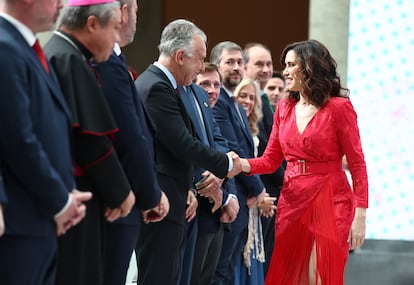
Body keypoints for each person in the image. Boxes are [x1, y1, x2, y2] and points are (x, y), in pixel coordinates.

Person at [238, 39, 368, 285]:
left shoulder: (339, 108)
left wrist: (360, 215)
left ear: (309, 67)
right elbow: (270, 160)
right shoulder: (284, 108)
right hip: (292, 199)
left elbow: (358, 165)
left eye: (290, 65)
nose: (285, 72)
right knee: (291, 278)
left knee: (320, 276)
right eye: (285, 66)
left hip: (331, 199)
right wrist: (241, 164)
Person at [134, 19, 241, 285]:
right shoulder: (156, 86)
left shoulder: (163, 84)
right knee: (158, 276)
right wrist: (225, 164)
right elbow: (183, 143)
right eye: (200, 59)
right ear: (180, 56)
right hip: (162, 199)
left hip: (175, 199)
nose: (202, 68)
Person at [0, 1, 92, 284]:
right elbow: (18, 138)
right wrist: (60, 200)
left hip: (39, 221)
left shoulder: (24, 48)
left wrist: (63, 199)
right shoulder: (5, 48)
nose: (62, 3)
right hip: (21, 224)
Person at [44, 1, 136, 284]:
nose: (116, 38)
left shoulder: (63, 54)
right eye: (113, 29)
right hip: (78, 196)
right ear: (93, 24)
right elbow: (90, 140)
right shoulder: (70, 59)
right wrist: (122, 194)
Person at [93, 1, 170, 284]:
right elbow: (127, 136)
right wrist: (147, 193)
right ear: (123, 12)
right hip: (117, 199)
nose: (137, 19)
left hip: (126, 198)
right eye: (135, 11)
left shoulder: (116, 60)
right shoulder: (105, 63)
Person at [209, 41, 268, 285]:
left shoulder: (233, 102)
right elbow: (234, 150)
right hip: (233, 196)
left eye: (239, 62)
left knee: (226, 271)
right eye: (229, 62)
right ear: (216, 65)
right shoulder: (219, 102)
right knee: (218, 274)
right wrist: (259, 190)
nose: (236, 67)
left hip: (244, 201)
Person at [233, 78, 276, 285]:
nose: (247, 101)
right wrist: (259, 195)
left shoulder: (255, 128)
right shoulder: (232, 123)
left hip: (254, 204)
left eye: (252, 97)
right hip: (243, 199)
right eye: (243, 95)